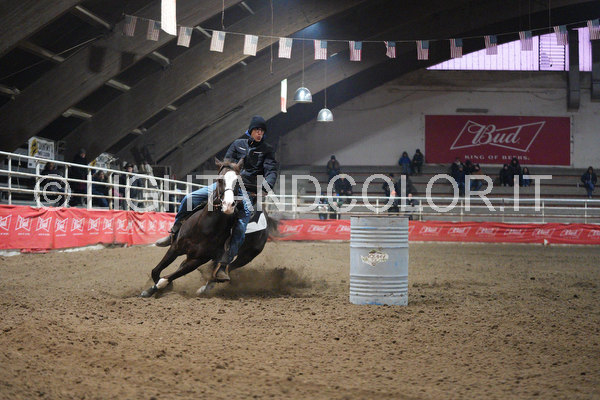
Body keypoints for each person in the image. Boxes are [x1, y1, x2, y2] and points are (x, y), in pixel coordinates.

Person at [156, 116, 278, 281]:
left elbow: (271, 171)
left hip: (246, 190)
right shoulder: (237, 144)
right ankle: (174, 233)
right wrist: (229, 175)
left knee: (241, 226)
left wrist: (265, 188)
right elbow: (225, 163)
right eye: (257, 130)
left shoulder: (267, 150)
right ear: (250, 131)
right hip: (227, 184)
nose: (260, 133)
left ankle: (223, 265)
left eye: (262, 131)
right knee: (189, 198)